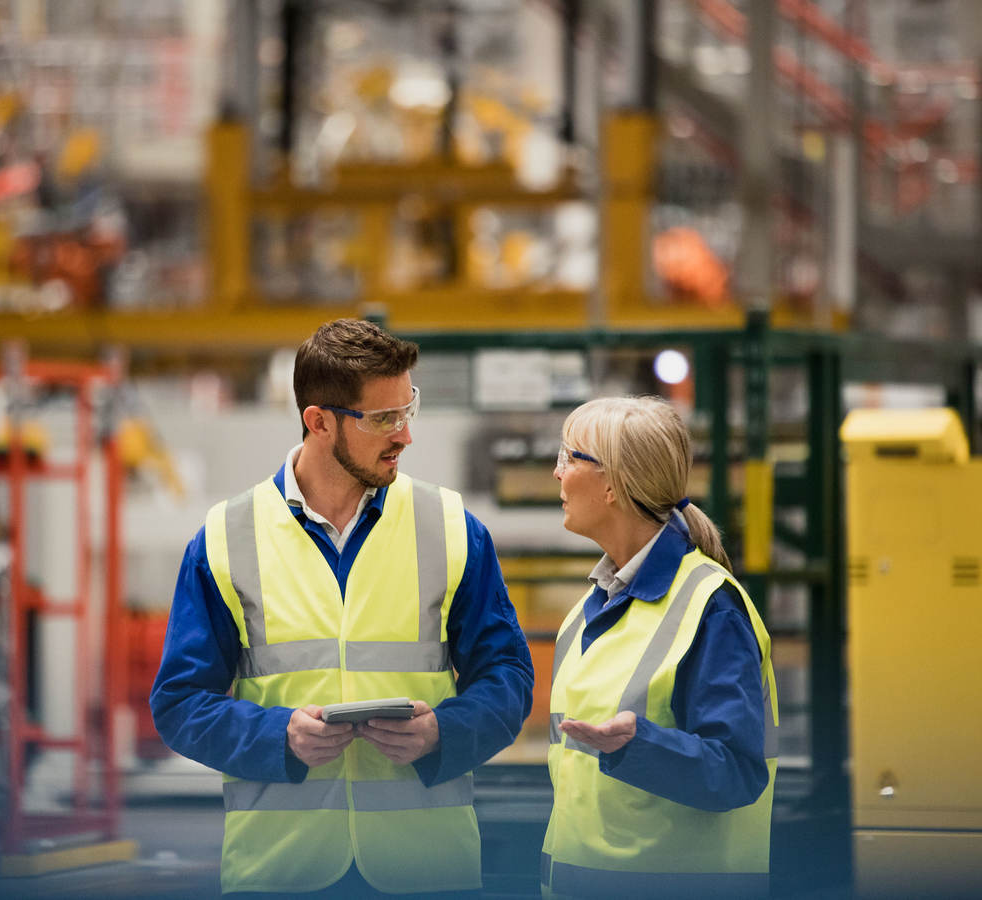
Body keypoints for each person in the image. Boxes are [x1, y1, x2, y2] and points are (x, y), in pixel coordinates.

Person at [150, 318, 534, 897]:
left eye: (409, 411)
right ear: (319, 421)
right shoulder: (226, 538)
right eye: (384, 419)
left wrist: (443, 732)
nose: (405, 435)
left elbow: (508, 679)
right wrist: (279, 736)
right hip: (281, 872)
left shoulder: (452, 529)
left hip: (426, 870)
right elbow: (179, 704)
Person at [541, 396, 778, 899]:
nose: (556, 473)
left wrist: (638, 746)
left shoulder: (712, 608)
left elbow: (736, 770)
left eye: (569, 456)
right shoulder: (592, 605)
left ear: (613, 484)